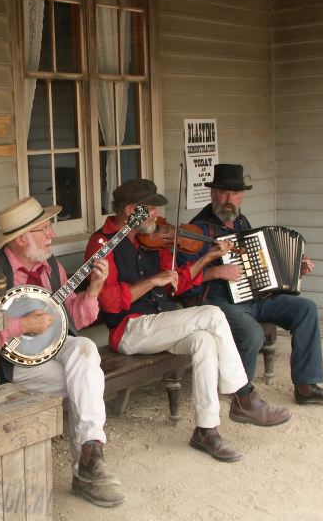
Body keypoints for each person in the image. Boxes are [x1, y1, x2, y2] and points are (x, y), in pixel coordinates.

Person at [86, 178, 291, 464]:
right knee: (213, 314)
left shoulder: (150, 238)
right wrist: (152, 281)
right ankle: (243, 396)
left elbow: (177, 284)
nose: (157, 215)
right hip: (130, 329)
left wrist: (208, 257)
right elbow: (109, 302)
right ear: (131, 210)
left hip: (162, 322)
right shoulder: (102, 243)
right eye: (151, 209)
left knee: (204, 341)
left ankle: (206, 430)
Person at [0, 196, 124, 507]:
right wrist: (21, 325)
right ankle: (85, 470)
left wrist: (94, 289)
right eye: (44, 229)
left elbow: (75, 320)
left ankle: (91, 449)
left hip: (55, 352)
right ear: (21, 238)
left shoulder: (51, 268)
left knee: (84, 349)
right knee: (85, 382)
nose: (52, 235)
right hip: (15, 367)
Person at [180, 163, 323, 406]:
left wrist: (295, 270)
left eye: (235, 193)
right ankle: (242, 394)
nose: (229, 200)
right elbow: (184, 282)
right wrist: (215, 271)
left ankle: (306, 386)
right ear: (213, 193)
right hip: (219, 301)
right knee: (252, 333)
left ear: (242, 196)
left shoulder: (241, 222)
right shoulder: (197, 230)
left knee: (305, 308)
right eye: (224, 192)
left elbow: (261, 266)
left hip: (255, 296)